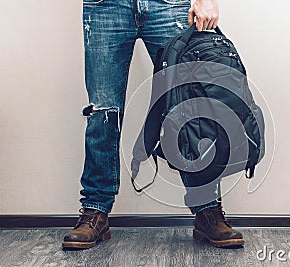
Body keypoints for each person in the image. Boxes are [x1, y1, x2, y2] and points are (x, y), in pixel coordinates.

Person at [62, 0, 244, 249]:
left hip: (168, 5)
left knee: (189, 107)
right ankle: (95, 209)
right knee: (103, 113)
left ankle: (207, 209)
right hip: (105, 6)